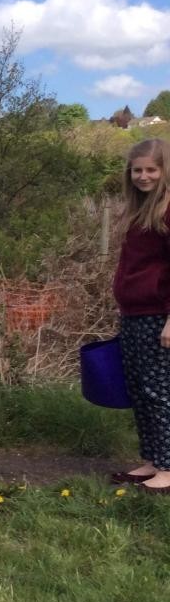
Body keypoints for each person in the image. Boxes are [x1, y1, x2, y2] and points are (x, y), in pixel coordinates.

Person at [109, 139, 170, 491]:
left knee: (159, 391)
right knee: (140, 390)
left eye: (151, 169)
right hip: (134, 313)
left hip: (158, 315)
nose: (143, 176)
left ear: (164, 171)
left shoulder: (168, 209)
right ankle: (152, 459)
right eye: (137, 170)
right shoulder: (139, 211)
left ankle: (168, 467)